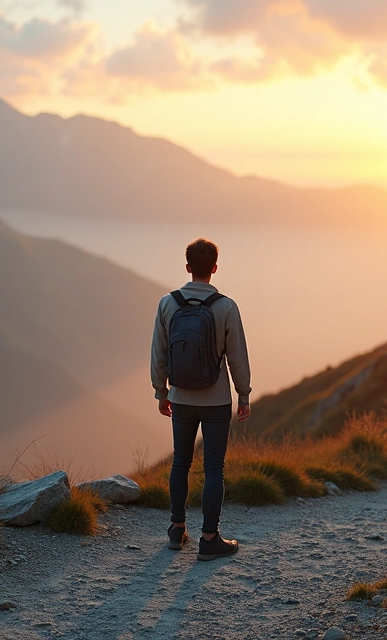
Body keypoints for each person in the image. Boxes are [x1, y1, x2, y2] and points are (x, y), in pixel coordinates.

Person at [150, 238, 251, 561]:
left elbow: (159, 354)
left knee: (181, 461)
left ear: (188, 267)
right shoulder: (225, 306)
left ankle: (177, 530)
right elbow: (237, 357)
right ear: (215, 269)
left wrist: (161, 391)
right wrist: (243, 394)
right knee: (213, 468)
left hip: (180, 396)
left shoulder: (168, 303)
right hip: (216, 399)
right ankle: (210, 539)